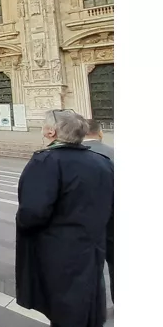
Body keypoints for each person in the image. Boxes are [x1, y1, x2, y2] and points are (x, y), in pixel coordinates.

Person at [16, 110, 113, 327]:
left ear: (51, 132)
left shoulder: (46, 161)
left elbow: (32, 213)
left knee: (65, 309)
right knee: (89, 303)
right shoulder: (102, 161)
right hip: (92, 247)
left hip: (58, 251)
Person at [82, 119, 114, 300]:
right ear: (100, 133)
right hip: (113, 215)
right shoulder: (113, 153)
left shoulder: (73, 156)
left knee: (92, 264)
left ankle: (96, 304)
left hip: (85, 219)